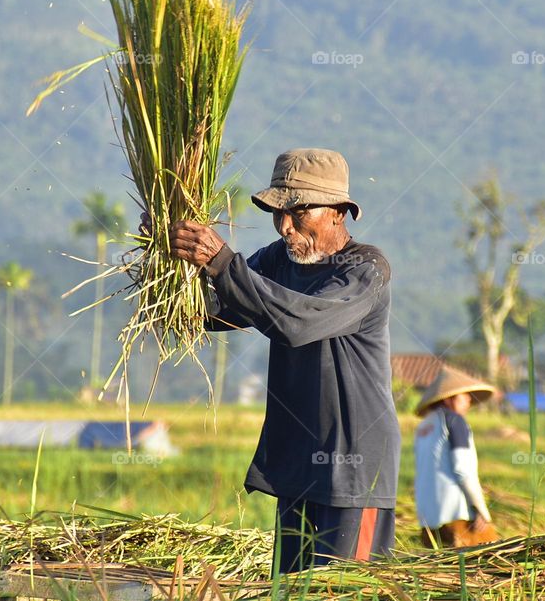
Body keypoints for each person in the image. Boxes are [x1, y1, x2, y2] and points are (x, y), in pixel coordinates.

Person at [160, 148, 400, 574]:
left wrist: (220, 262)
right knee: (289, 590)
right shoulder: (276, 259)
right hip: (297, 464)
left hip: (352, 468)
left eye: (299, 212)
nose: (286, 226)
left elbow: (298, 321)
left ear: (338, 213)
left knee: (343, 591)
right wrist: (171, 262)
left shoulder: (364, 269)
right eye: (278, 213)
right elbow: (220, 308)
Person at [414, 365, 498, 548]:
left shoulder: (423, 427)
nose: (468, 400)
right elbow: (463, 470)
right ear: (449, 399)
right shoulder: (455, 421)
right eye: (464, 395)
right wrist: (481, 510)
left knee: (438, 573)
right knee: (492, 558)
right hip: (457, 514)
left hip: (428, 518)